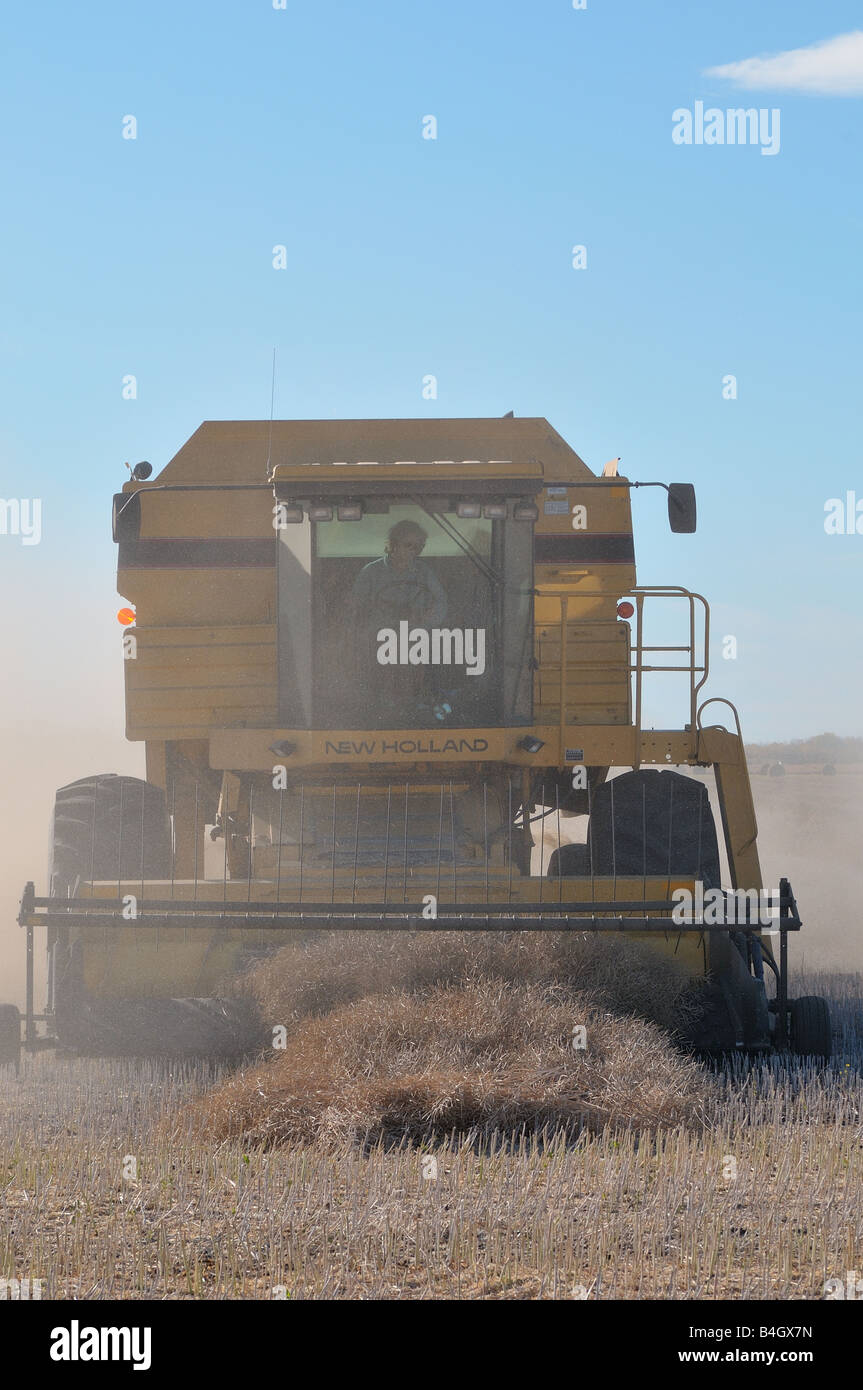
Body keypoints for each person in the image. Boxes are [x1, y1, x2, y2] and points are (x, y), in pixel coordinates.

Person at [346, 519, 447, 723]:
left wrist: (427, 619)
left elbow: (440, 602)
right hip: (380, 635)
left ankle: (422, 699)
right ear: (393, 545)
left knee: (428, 652)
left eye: (419, 546)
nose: (415, 550)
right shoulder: (371, 572)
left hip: (415, 634)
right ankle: (378, 703)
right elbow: (356, 607)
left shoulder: (425, 572)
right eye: (409, 545)